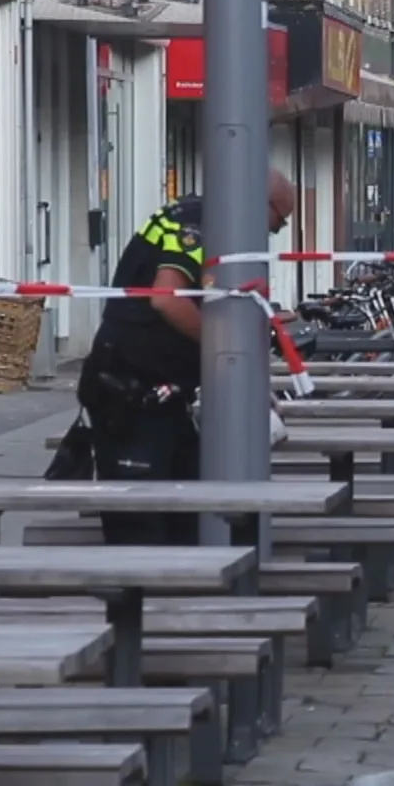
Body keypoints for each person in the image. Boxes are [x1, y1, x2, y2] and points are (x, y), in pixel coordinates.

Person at [80, 172, 298, 545]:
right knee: (141, 524)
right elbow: (167, 299)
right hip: (132, 389)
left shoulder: (208, 219)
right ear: (262, 205)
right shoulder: (198, 223)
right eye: (277, 224)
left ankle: (185, 577)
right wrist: (224, 348)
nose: (271, 234)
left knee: (191, 514)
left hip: (164, 391)